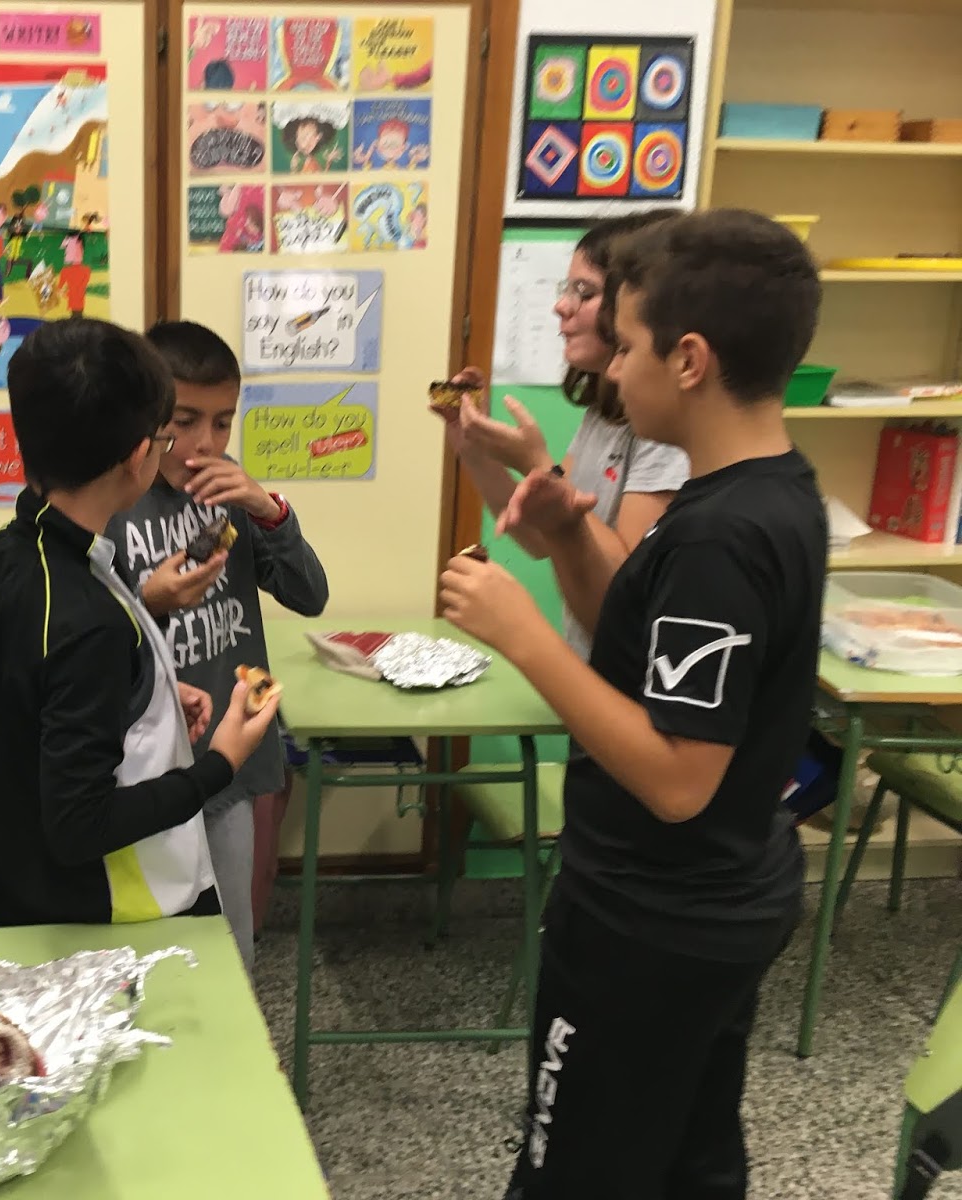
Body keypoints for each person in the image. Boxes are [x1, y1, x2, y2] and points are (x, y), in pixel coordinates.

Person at [438, 210, 826, 1198]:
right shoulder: (772, 493)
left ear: (688, 360)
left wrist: (522, 636)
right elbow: (642, 644)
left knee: (572, 1165)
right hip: (720, 895)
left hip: (651, 917)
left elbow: (677, 776)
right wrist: (571, 533)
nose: (612, 370)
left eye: (629, 347)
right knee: (691, 1157)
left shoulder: (716, 538)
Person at [0, 318, 281, 929]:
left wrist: (147, 690)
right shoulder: (88, 615)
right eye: (166, 436)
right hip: (95, 913)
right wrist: (220, 763)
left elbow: (34, 707)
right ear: (138, 458)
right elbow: (80, 825)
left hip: (14, 885)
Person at [107, 321, 328, 967]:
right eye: (185, 421)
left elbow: (310, 595)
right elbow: (83, 636)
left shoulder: (230, 491)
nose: (206, 443)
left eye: (223, 422)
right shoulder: (115, 499)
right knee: (149, 945)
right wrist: (147, 601)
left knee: (232, 943)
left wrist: (269, 510)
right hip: (142, 766)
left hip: (229, 758)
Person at [439, 211, 688, 658]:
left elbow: (623, 592)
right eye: (566, 289)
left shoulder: (663, 435)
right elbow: (543, 538)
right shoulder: (602, 416)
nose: (561, 306)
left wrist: (537, 464)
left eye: (585, 292)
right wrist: (472, 447)